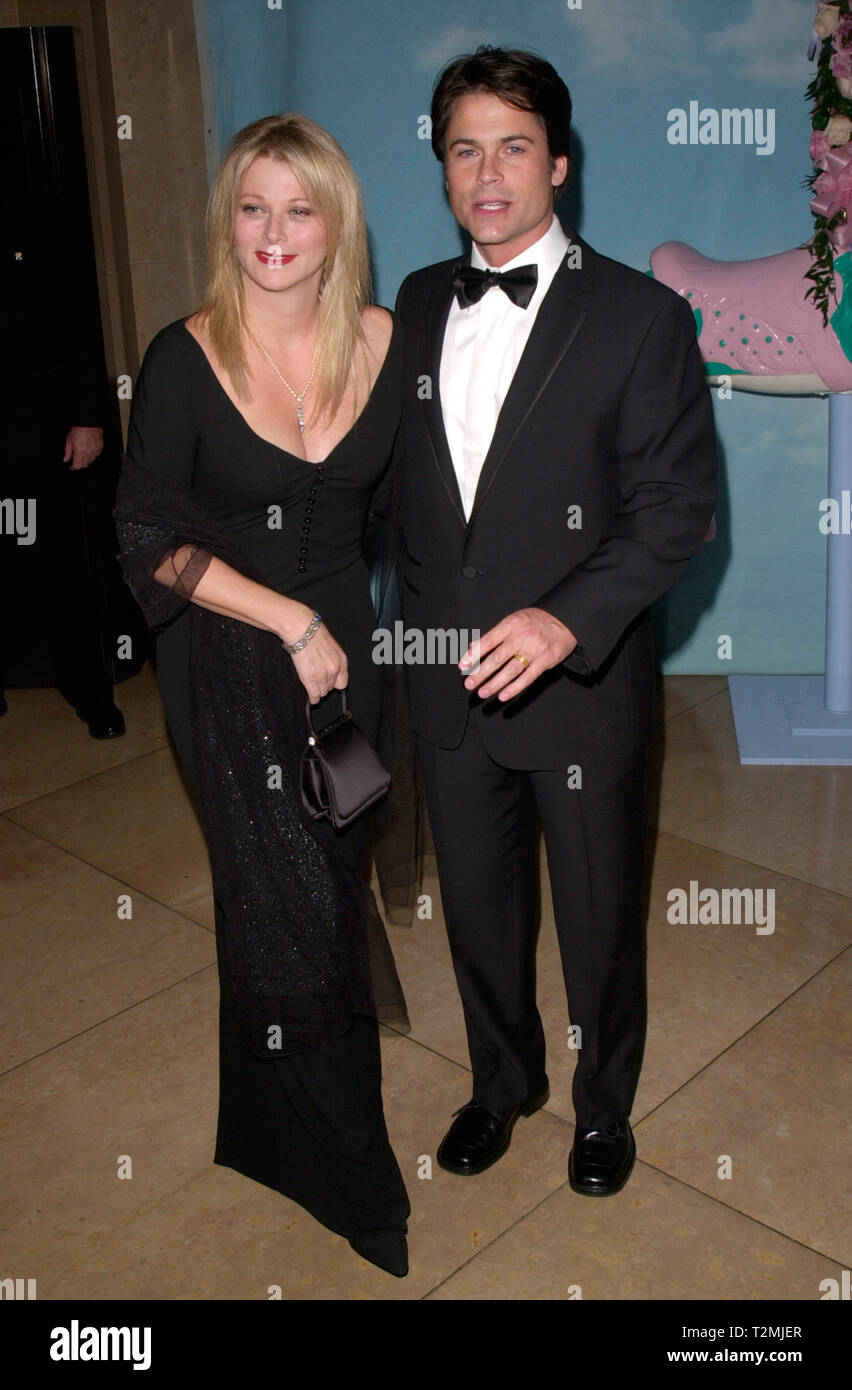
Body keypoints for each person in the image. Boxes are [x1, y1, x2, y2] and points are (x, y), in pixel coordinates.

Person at [393, 47, 718, 1194]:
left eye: (514, 146)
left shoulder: (639, 315)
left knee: (595, 920)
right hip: (444, 676)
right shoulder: (420, 301)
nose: (488, 172)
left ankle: (601, 1107)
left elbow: (679, 508)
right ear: (442, 169)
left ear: (560, 165)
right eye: (465, 148)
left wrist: (564, 622)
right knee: (478, 912)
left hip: (580, 690)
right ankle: (501, 1082)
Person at [114, 114, 411, 1276]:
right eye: (252, 206)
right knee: (306, 903)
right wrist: (289, 619)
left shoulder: (385, 340)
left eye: (299, 208)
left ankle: (266, 1130)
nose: (273, 232)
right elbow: (147, 543)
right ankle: (358, 1180)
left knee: (304, 891)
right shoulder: (184, 356)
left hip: (351, 663)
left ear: (336, 225)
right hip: (233, 664)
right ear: (224, 219)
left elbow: (428, 500)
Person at [0, 193, 125, 737]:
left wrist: (87, 417)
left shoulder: (32, 215)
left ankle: (91, 692)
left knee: (59, 567)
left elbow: (76, 319)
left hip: (33, 431)